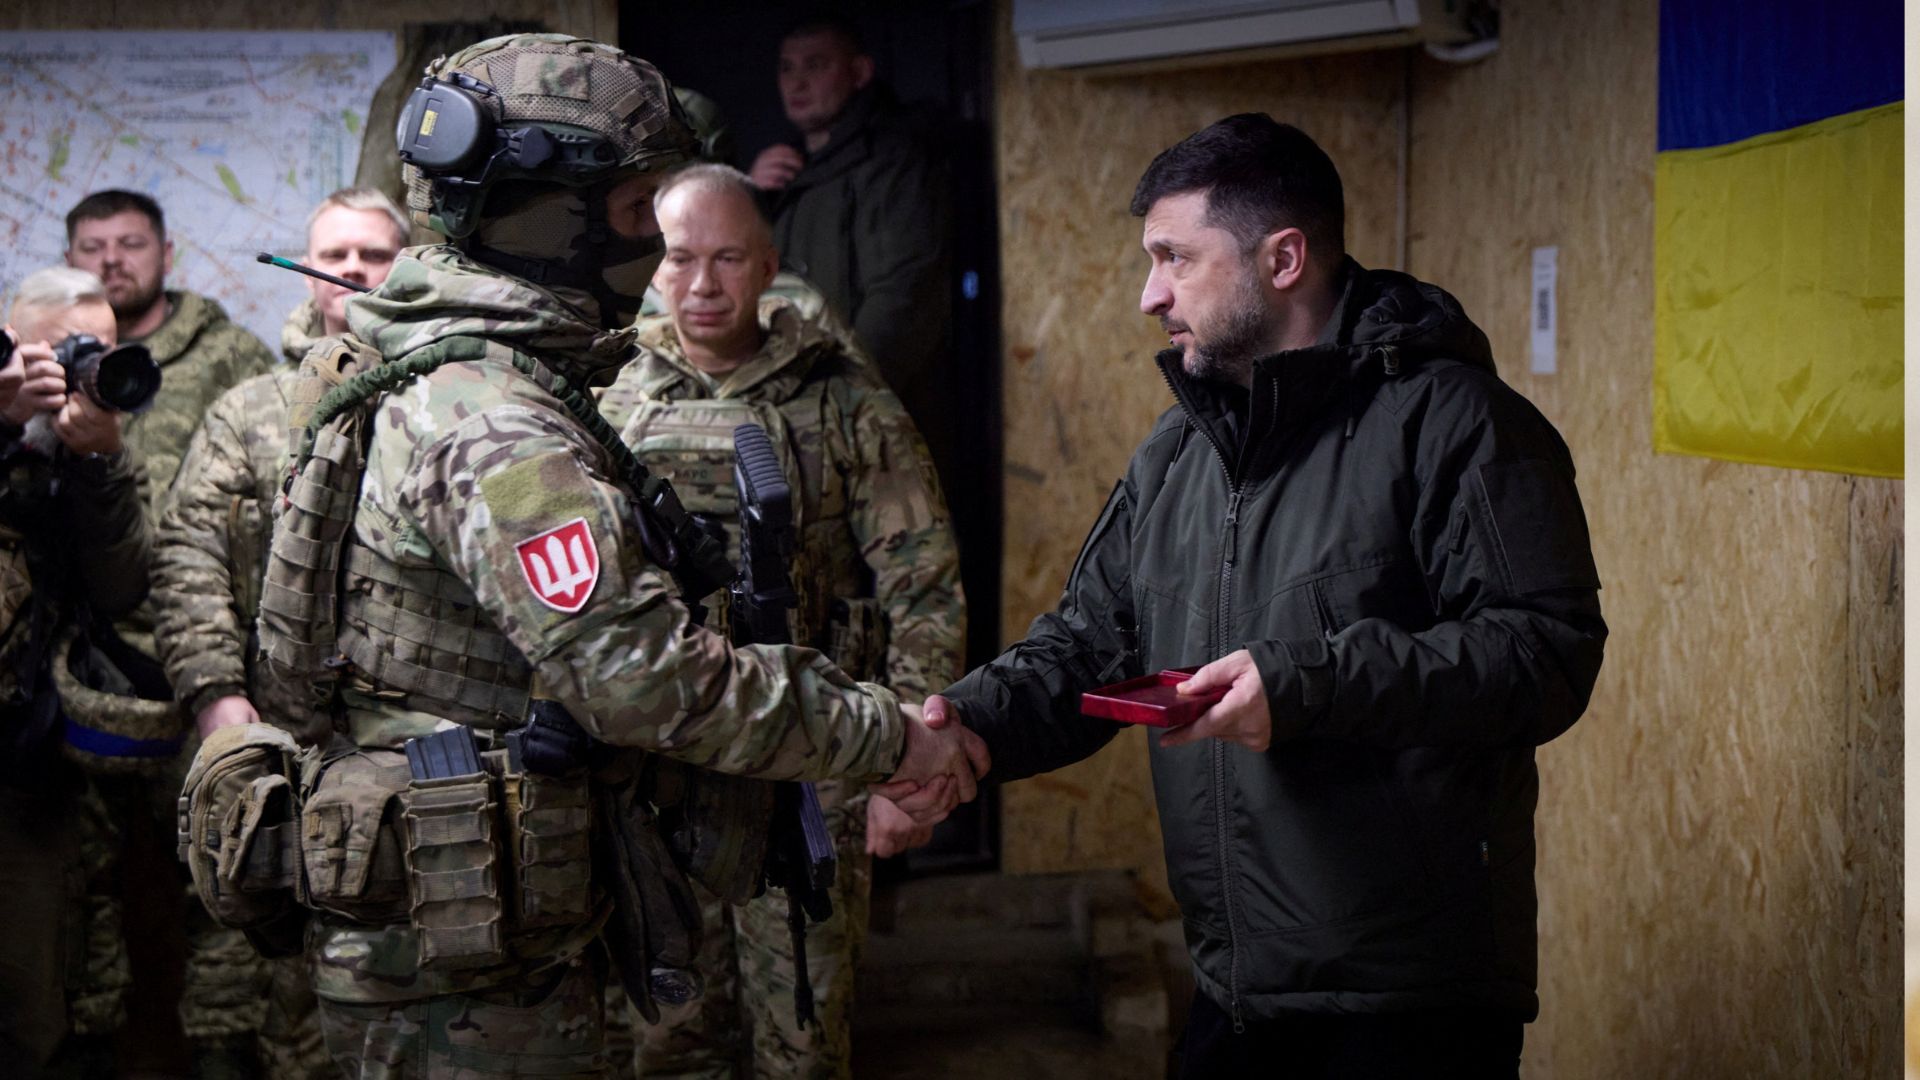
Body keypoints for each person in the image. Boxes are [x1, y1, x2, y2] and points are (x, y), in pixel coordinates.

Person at [218, 34, 981, 1076]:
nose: (658, 258)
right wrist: (889, 738)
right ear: (542, 219)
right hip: (466, 963)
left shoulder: (440, 359)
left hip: (470, 916)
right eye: (634, 216)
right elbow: (639, 675)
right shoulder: (494, 427)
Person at [909, 114, 1607, 1078]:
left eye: (1174, 259)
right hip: (1237, 991)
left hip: (1406, 1004)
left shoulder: (1458, 425)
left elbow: (1543, 654)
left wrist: (1304, 685)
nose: (1148, 294)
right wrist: (967, 730)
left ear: (1283, 258)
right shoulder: (1178, 454)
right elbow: (1086, 645)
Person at [600, 164, 964, 1079]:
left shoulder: (841, 396)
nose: (704, 284)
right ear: (653, 267)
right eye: (681, 259)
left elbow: (921, 583)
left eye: (729, 259)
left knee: (802, 1039)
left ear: (769, 268)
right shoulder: (610, 397)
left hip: (816, 772)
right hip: (657, 777)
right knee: (668, 1038)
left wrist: (904, 766)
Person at [150, 186, 410, 1080]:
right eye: (332, 253)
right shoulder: (250, 409)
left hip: (408, 752)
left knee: (383, 982)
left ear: (407, 265)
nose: (351, 269)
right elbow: (187, 555)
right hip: (270, 747)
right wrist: (218, 699)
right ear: (304, 273)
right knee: (240, 977)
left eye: (372, 253)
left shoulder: (444, 401)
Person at [0, 267, 152, 1073]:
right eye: (66, 351)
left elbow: (123, 587)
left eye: (101, 348)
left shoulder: (102, 431)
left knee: (33, 1011)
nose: (88, 364)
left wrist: (97, 464)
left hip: (25, 764)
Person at [747, 17, 950, 458]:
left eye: (816, 65)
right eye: (787, 68)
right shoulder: (788, 168)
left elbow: (902, 299)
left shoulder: (894, 161)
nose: (797, 82)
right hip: (796, 417)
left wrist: (842, 404)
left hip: (865, 424)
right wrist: (748, 197)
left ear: (858, 73)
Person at [63, 189, 277, 505]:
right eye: (92, 248)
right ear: (69, 262)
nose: (110, 259)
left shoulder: (231, 353)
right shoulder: (49, 359)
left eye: (131, 244)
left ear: (166, 256)